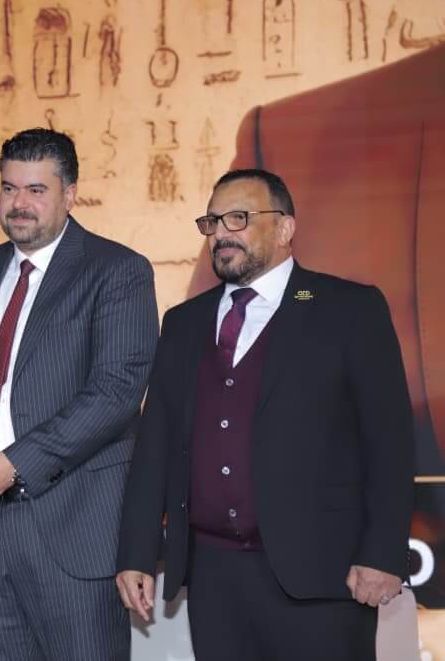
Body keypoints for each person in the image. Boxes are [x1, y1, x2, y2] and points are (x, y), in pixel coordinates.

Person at [116, 169, 414, 661]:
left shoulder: (350, 309)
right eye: (213, 222)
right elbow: (156, 445)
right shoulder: (183, 322)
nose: (221, 233)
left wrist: (382, 553)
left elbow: (390, 443)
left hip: (323, 577)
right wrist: (137, 553)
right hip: (214, 582)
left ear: (285, 228)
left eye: (238, 218)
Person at [0, 127, 159, 660]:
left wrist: (18, 462)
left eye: (37, 190)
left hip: (72, 523)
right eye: (9, 188)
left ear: (70, 194)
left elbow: (117, 390)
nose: (19, 204)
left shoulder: (118, 270)